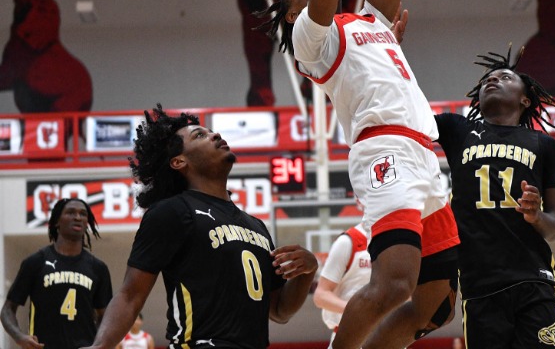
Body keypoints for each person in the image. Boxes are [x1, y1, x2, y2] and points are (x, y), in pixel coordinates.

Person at [253, 0, 459, 348]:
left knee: (436, 302)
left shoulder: (371, 20)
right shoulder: (312, 39)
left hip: (423, 154)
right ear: (293, 15)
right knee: (394, 285)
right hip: (385, 152)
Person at [80, 104, 318, 349]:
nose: (215, 135)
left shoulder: (256, 226)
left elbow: (279, 311)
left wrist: (307, 272)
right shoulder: (172, 211)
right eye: (199, 135)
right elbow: (130, 295)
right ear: (178, 161)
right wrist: (101, 346)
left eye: (211, 132)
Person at [434, 45, 555, 348]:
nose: (492, 80)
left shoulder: (544, 146)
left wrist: (536, 216)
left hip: (534, 280)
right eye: (487, 80)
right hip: (480, 286)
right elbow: (407, 112)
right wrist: (389, 49)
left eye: (505, 77)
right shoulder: (457, 129)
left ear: (525, 99)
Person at [1, 198, 113, 349]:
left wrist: (98, 344)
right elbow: (7, 310)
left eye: (83, 214)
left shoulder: (98, 268)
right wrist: (19, 337)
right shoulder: (36, 262)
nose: (78, 217)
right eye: (70, 212)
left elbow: (105, 318)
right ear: (56, 222)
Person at [313, 220, 371, 342]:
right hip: (350, 334)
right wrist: (358, 310)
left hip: (389, 334)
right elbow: (320, 295)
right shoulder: (347, 241)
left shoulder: (399, 242)